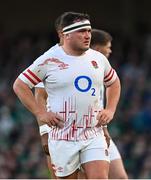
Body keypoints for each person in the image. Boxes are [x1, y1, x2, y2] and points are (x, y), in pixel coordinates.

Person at [13, 11, 121, 179]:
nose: (87, 35)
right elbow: (20, 85)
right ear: (66, 34)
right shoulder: (49, 60)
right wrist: (40, 114)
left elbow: (113, 82)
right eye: (81, 31)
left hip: (93, 133)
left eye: (89, 31)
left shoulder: (98, 59)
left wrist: (110, 110)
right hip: (63, 136)